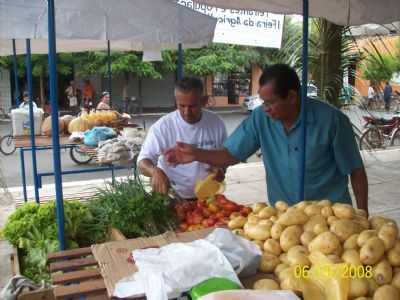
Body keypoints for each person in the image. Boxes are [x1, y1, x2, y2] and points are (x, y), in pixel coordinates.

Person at [165, 64, 369, 213]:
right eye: (263, 102)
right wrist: (196, 154)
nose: (265, 109)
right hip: (285, 218)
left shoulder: (333, 121)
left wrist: (363, 216)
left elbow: (356, 171)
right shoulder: (261, 118)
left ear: (291, 97)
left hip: (331, 218)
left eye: (270, 103)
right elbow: (230, 154)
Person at [137, 77, 227, 200]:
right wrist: (154, 171)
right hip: (173, 196)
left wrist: (221, 169)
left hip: (208, 196)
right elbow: (142, 161)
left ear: (204, 101)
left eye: (192, 106)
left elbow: (224, 156)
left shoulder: (216, 123)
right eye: (182, 105)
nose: (186, 112)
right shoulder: (163, 126)